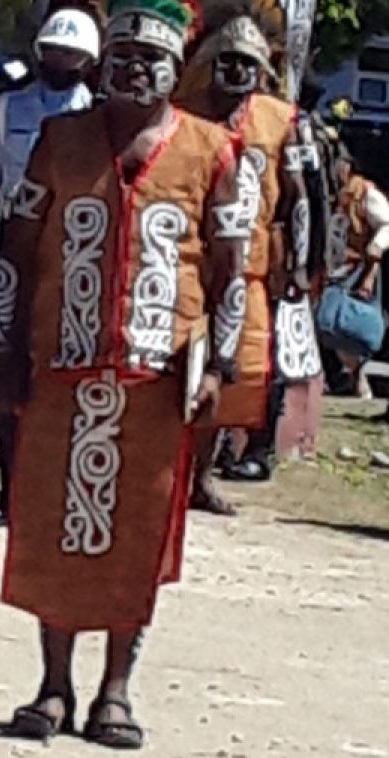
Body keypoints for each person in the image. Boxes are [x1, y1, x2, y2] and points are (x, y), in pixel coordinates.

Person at [0, 0, 252, 749]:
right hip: (60, 374)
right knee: (51, 531)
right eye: (123, 55)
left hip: (155, 380)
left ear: (176, 71)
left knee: (138, 537)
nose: (135, 68)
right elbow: (16, 249)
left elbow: (230, 273)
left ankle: (116, 690)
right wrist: (3, 347)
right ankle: (53, 686)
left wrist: (219, 364)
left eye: (151, 58)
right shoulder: (58, 140)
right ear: (102, 67)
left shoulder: (210, 150)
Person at [0, 5, 100, 527]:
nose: (61, 60)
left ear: (88, 62)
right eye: (53, 51)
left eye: (72, 54)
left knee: (63, 379)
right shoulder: (9, 108)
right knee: (5, 371)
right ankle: (8, 491)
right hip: (11, 262)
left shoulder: (98, 115)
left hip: (73, 264)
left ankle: (55, 495)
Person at [176, 3, 314, 510]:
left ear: (263, 71)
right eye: (227, 62)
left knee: (232, 374)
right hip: (190, 265)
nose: (236, 73)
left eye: (247, 65)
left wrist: (298, 262)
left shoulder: (282, 121)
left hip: (251, 272)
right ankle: (168, 470)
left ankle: (203, 476)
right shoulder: (184, 115)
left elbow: (297, 197)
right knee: (179, 370)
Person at [323, 145, 389, 396]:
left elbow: (387, 223)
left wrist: (376, 248)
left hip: (358, 269)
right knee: (329, 324)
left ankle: (357, 380)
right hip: (334, 269)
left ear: (347, 166)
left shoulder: (365, 193)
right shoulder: (331, 193)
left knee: (351, 325)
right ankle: (342, 379)